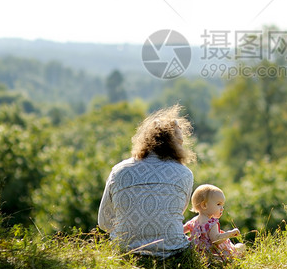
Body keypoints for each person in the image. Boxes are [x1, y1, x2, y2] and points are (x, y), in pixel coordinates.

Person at [97, 105, 196, 258]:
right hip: (173, 251)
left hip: (125, 251)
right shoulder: (184, 173)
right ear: (176, 144)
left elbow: (104, 222)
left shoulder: (119, 170)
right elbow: (175, 213)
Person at [184, 184, 246, 260]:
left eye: (222, 205)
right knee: (240, 247)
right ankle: (238, 255)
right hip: (215, 256)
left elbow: (180, 230)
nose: (222, 208)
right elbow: (216, 239)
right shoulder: (212, 223)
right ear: (204, 205)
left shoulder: (193, 221)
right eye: (218, 204)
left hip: (200, 257)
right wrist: (230, 233)